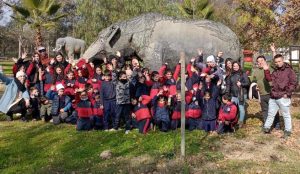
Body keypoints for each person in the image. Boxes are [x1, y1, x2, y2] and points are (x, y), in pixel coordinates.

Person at [262, 54, 297, 138]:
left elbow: (294, 83)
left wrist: (287, 93)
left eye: (279, 61)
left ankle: (288, 131)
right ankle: (266, 128)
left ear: (283, 60)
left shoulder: (289, 70)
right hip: (274, 96)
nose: (278, 63)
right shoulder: (275, 71)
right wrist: (266, 70)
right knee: (271, 114)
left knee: (286, 115)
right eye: (276, 62)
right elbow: (269, 80)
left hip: (283, 96)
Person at [252, 55, 280, 128]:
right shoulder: (256, 71)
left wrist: (273, 51)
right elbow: (253, 81)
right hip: (261, 94)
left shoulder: (270, 67)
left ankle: (277, 124)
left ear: (265, 61)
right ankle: (267, 125)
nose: (260, 62)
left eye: (261, 60)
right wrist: (255, 87)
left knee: (274, 109)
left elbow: (276, 61)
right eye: (258, 62)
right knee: (265, 110)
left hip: (271, 93)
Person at [226, 61, 250, 127]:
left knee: (241, 108)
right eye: (234, 66)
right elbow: (228, 84)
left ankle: (241, 122)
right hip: (233, 94)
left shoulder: (243, 73)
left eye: (237, 66)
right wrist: (227, 93)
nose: (235, 67)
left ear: (239, 66)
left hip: (241, 93)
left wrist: (241, 84)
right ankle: (233, 121)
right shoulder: (231, 74)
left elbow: (248, 83)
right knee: (232, 108)